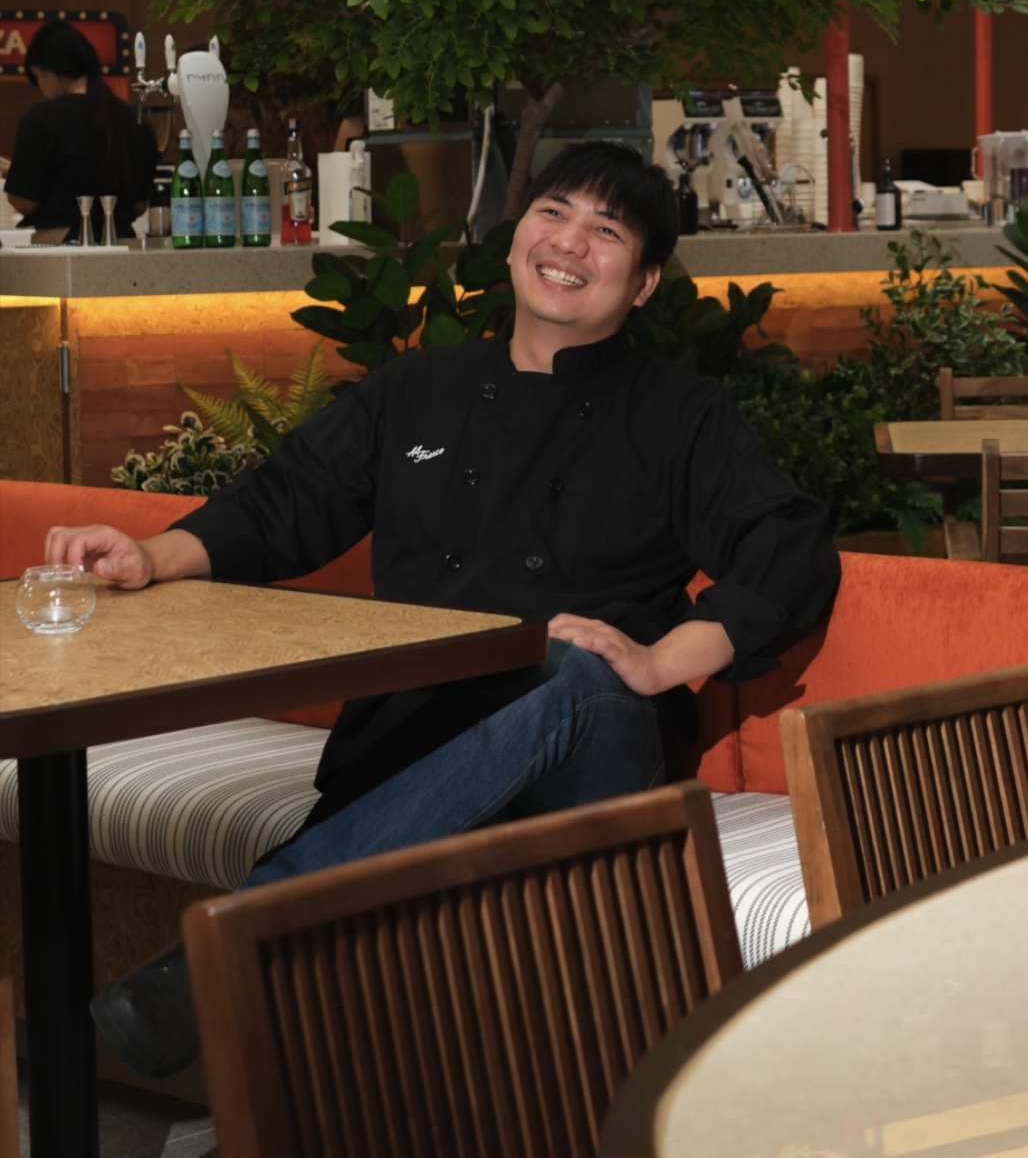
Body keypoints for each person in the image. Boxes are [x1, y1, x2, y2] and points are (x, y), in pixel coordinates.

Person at [47, 140, 841, 1077]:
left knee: (572, 668)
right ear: (516, 238)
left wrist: (665, 658)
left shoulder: (680, 413)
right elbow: (284, 502)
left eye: (607, 231)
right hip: (424, 736)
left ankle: (228, 949)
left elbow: (791, 544)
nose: (569, 242)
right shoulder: (419, 389)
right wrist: (152, 554)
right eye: (554, 213)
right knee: (427, 827)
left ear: (643, 283)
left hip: (595, 750)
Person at [2, 23, 158, 240]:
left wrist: (19, 177)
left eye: (38, 76)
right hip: (124, 243)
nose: (41, 88)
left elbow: (24, 202)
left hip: (63, 244)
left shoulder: (41, 118)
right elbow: (139, 206)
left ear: (50, 70)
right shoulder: (137, 120)